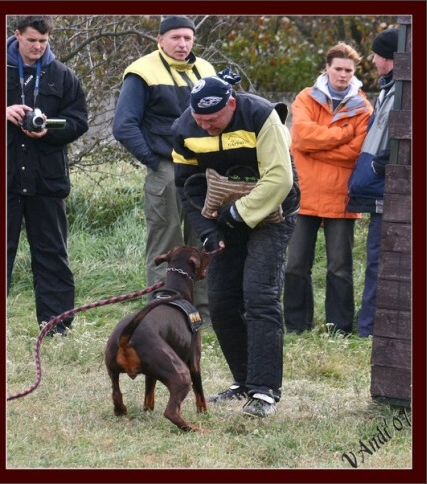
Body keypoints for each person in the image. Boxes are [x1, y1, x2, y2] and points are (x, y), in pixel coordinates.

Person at [171, 72, 300, 417]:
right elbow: (187, 186)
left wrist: (239, 214)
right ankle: (242, 381)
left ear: (231, 104)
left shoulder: (260, 116)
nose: (207, 127)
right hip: (224, 217)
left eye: (213, 120)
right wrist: (207, 231)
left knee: (259, 295)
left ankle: (265, 392)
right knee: (223, 301)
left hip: (273, 212)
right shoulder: (185, 128)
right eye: (200, 120)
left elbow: (280, 177)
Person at [112, 16, 216, 320]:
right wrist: (154, 161)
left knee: (203, 240)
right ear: (160, 40)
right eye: (175, 38)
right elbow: (123, 125)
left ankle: (203, 313)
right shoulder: (142, 71)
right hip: (167, 167)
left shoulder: (206, 70)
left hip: (202, 169)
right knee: (167, 241)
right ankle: (164, 311)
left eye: (188, 38)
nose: (182, 44)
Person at [283, 42, 373, 335]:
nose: (343, 75)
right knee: (295, 264)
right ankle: (297, 325)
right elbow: (301, 138)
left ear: (354, 72)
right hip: (303, 193)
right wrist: (343, 134)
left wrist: (315, 149)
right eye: (338, 69)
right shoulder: (305, 98)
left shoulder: (363, 106)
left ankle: (340, 328)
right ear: (327, 68)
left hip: (341, 196)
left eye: (348, 70)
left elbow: (356, 153)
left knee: (340, 267)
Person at [6, 16, 88, 335]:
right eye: (32, 41)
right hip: (5, 180)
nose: (38, 47)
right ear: (16, 35)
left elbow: (78, 121)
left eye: (44, 41)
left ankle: (57, 326)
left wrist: (49, 127)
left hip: (47, 181)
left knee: (52, 255)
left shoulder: (63, 76)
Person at [347, 29, 399, 337]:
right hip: (380, 188)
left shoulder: (404, 91)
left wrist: (381, 164)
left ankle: (370, 329)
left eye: (377, 55)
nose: (374, 60)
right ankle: (368, 326)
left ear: (389, 58)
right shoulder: (389, 91)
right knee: (377, 261)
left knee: (381, 262)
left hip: (389, 190)